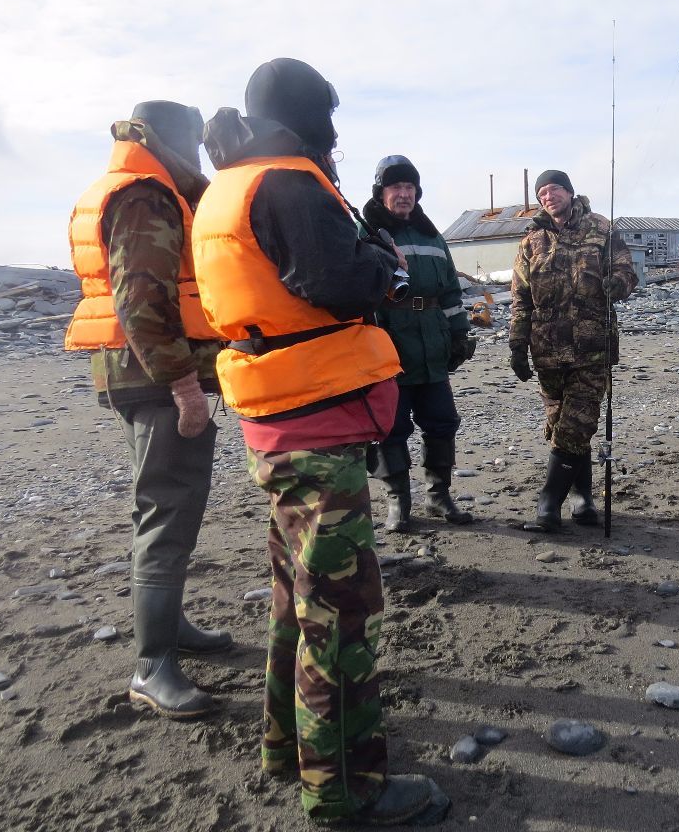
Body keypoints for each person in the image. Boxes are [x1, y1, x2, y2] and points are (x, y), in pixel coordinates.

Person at [192, 58, 447, 825]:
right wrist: (384, 266)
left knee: (293, 602)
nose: (335, 130)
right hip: (315, 429)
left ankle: (284, 746)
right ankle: (345, 791)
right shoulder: (287, 183)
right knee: (339, 616)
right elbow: (334, 278)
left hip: (274, 424)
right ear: (308, 114)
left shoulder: (227, 187)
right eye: (328, 115)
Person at [65, 100, 231, 720]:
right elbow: (141, 301)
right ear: (170, 141)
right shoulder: (148, 196)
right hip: (156, 377)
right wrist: (186, 388)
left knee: (162, 506)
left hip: (134, 373)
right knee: (167, 507)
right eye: (192, 142)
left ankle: (170, 626)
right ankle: (152, 664)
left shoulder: (133, 185)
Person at [509, 169, 638, 532]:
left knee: (578, 423)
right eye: (543, 193)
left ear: (569, 192)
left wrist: (618, 282)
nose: (549, 197)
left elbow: (628, 272)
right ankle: (583, 500)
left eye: (555, 190)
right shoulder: (531, 241)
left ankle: (548, 505)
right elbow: (520, 299)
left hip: (592, 347)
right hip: (547, 350)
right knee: (561, 425)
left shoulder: (601, 228)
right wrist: (517, 345)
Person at [362, 155, 477, 533]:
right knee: (390, 428)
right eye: (396, 187)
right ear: (382, 192)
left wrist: (459, 333)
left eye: (410, 188)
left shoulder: (432, 235)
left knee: (442, 423)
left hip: (431, 343)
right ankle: (398, 501)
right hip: (387, 346)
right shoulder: (363, 232)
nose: (404, 194)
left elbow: (448, 291)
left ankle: (438, 495)